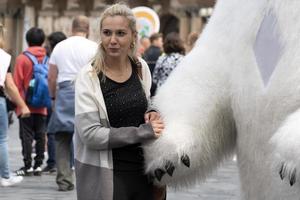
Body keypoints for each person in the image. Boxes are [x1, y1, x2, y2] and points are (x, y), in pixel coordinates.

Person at [74, 3, 164, 200]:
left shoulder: (140, 67)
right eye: (107, 33)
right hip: (107, 173)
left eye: (120, 33)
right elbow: (90, 134)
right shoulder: (89, 76)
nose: (112, 40)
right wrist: (142, 132)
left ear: (133, 36)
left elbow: (147, 102)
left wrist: (153, 111)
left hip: (144, 172)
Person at [47, 16, 97, 191]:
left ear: (72, 27)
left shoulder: (60, 47)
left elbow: (52, 76)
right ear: (88, 29)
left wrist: (53, 97)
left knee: (62, 137)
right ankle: (89, 180)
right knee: (89, 137)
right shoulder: (94, 47)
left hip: (65, 91)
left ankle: (64, 180)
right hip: (87, 92)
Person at [13, 27, 48, 176]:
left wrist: (18, 103)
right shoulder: (47, 57)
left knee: (26, 135)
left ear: (27, 40)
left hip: (25, 104)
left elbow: (16, 82)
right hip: (42, 105)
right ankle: (39, 165)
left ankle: (27, 165)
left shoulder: (22, 58)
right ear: (42, 41)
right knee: (41, 134)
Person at [0, 23, 29, 187]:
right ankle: (5, 176)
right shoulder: (3, 56)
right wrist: (22, 105)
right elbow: (10, 85)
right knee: (1, 139)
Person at [42, 31, 67, 174]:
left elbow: (51, 78)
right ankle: (67, 163)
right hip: (71, 95)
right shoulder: (68, 53)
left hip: (57, 96)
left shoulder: (54, 55)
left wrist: (52, 98)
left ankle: (53, 162)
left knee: (53, 131)